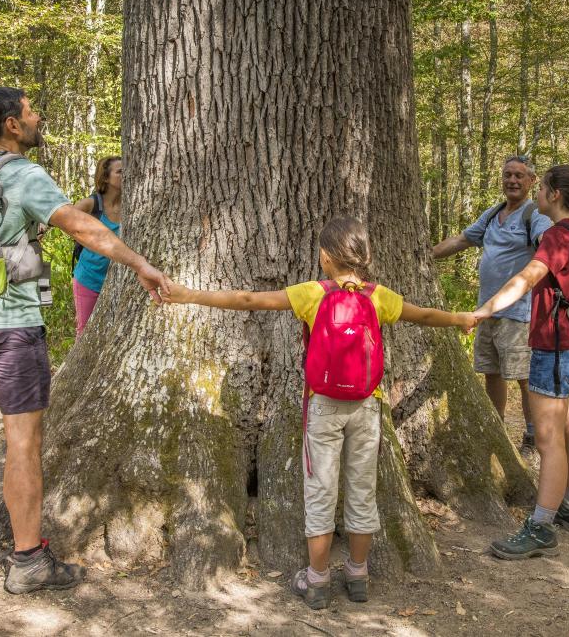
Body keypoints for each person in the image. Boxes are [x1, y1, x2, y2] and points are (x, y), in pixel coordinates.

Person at [162, 216, 476, 608]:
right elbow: (426, 315)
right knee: (362, 491)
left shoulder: (313, 293)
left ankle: (317, 581)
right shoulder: (379, 297)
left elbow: (248, 300)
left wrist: (187, 295)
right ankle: (358, 576)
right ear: (365, 256)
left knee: (321, 491)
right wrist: (461, 319)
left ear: (326, 257)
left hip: (324, 405)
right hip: (366, 406)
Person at [0, 87, 171, 594]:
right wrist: (140, 263)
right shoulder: (22, 173)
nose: (38, 117)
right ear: (13, 125)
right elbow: (80, 226)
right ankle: (28, 561)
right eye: (32, 110)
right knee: (23, 443)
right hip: (9, 326)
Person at [470, 165, 569, 559]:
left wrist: (484, 311)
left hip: (556, 347)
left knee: (548, 441)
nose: (538, 194)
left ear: (554, 195)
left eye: (542, 188)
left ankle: (541, 527)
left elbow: (527, 277)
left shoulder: (558, 236)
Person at [432, 155, 552, 461]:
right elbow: (462, 239)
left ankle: (532, 437)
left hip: (519, 313)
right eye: (508, 175)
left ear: (531, 181)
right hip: (485, 311)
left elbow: (547, 241)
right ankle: (496, 430)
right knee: (492, 373)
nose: (512, 180)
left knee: (524, 378)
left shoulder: (534, 214)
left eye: (519, 176)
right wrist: (426, 254)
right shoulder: (494, 213)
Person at [72, 156, 122, 336]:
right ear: (106, 178)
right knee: (85, 331)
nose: (125, 175)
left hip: (118, 280)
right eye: (120, 172)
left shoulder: (131, 204)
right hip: (89, 278)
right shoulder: (92, 203)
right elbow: (65, 220)